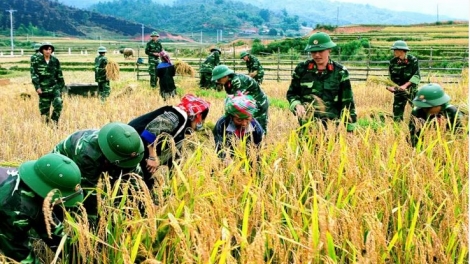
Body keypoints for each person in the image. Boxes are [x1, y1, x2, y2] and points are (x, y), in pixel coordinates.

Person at [0, 153, 83, 263]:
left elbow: (55, 233)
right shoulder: (15, 209)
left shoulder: (33, 183)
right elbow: (19, 255)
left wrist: (84, 257)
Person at [52, 122, 144, 216]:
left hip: (104, 159)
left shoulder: (128, 150)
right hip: (65, 163)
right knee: (75, 196)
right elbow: (90, 191)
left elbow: (136, 180)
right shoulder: (87, 154)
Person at [128, 94, 210, 188]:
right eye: (203, 119)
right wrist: (152, 157)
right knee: (138, 185)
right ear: (198, 116)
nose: (202, 123)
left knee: (147, 183)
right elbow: (150, 132)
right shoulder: (176, 117)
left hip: (139, 147)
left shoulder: (180, 119)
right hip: (131, 145)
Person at [286, 31, 357, 132]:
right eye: (314, 51)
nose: (317, 55)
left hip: (331, 129)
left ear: (329, 50)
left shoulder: (340, 72)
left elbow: (347, 103)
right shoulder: (301, 69)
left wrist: (350, 130)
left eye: (321, 51)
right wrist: (296, 105)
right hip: (306, 126)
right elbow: (292, 93)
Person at [212, 65, 269, 133]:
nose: (218, 81)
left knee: (258, 124)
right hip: (248, 103)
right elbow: (230, 98)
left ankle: (260, 141)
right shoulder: (228, 83)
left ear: (225, 76)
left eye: (219, 79)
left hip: (258, 103)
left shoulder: (238, 81)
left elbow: (238, 101)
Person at [408, 83, 464, 147]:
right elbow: (413, 136)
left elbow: (461, 136)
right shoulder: (417, 112)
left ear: (439, 104)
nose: (425, 110)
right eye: (423, 107)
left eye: (428, 108)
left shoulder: (451, 112)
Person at [213, 92, 264, 162]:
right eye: (239, 120)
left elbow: (257, 153)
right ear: (231, 116)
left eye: (247, 119)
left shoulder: (257, 129)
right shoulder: (221, 125)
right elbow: (219, 148)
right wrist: (224, 159)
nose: (244, 123)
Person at [31, 42, 65, 126]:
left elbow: (59, 74)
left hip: (54, 88)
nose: (48, 51)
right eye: (46, 49)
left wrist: (61, 87)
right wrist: (37, 87)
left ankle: (54, 122)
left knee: (58, 104)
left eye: (49, 49)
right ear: (42, 50)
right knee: (44, 110)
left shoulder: (55, 60)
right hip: (43, 89)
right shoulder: (37, 61)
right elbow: (34, 75)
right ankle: (46, 127)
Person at [386, 40, 421, 122]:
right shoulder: (393, 62)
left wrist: (405, 86)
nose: (394, 51)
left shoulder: (412, 60)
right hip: (398, 90)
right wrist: (389, 87)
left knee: (418, 109)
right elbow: (390, 77)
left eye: (395, 50)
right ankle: (397, 129)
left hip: (411, 90)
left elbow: (416, 76)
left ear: (402, 50)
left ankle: (418, 125)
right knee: (397, 113)